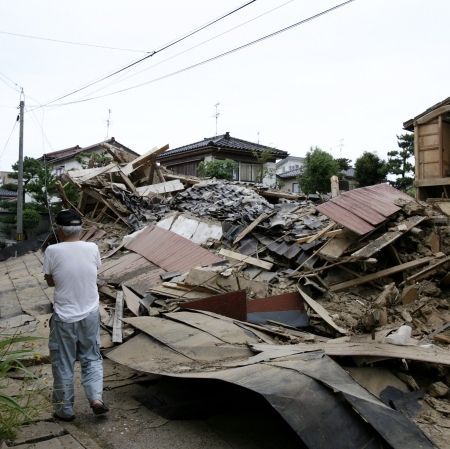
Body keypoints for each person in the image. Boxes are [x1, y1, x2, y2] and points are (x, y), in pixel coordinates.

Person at [43, 209, 108, 421]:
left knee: (63, 363)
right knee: (92, 358)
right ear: (80, 229)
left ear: (60, 231)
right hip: (90, 313)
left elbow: (50, 281)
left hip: (64, 317)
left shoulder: (52, 251)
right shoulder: (92, 247)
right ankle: (96, 399)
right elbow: (93, 270)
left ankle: (65, 410)